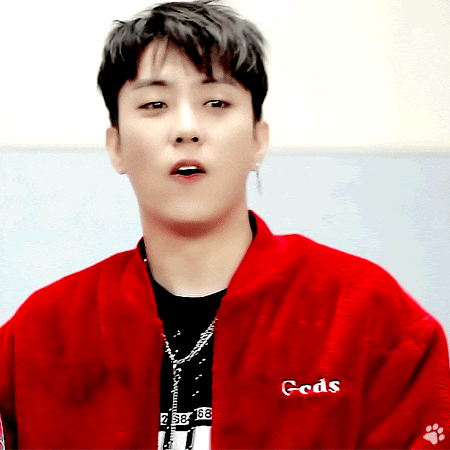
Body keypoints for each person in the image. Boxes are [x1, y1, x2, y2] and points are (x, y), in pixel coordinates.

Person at [0, 0, 449, 448]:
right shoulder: (40, 336)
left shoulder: (368, 318)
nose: (186, 128)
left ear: (258, 139)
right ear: (116, 146)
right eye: (154, 104)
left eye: (216, 102)